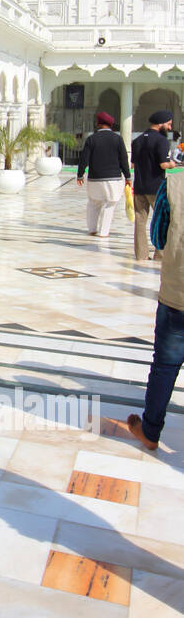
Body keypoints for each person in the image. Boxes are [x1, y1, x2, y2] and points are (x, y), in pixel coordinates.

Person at [128, 165, 184, 451]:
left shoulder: (175, 183)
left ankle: (150, 431)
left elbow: (159, 237)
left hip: (179, 291)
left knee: (165, 365)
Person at [76, 111, 130, 237]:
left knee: (94, 202)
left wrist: (80, 174)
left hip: (94, 178)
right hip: (113, 179)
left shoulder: (91, 139)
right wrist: (128, 177)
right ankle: (104, 232)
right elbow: (123, 160)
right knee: (110, 203)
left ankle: (92, 229)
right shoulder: (117, 139)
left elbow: (84, 159)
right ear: (111, 125)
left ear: (98, 124)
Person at [131, 110, 174, 261]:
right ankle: (160, 254)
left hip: (140, 187)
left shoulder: (138, 140)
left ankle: (141, 255)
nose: (169, 128)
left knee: (140, 221)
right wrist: (172, 164)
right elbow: (163, 164)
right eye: (168, 124)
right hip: (156, 188)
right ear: (161, 123)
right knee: (162, 219)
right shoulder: (161, 140)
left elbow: (133, 164)